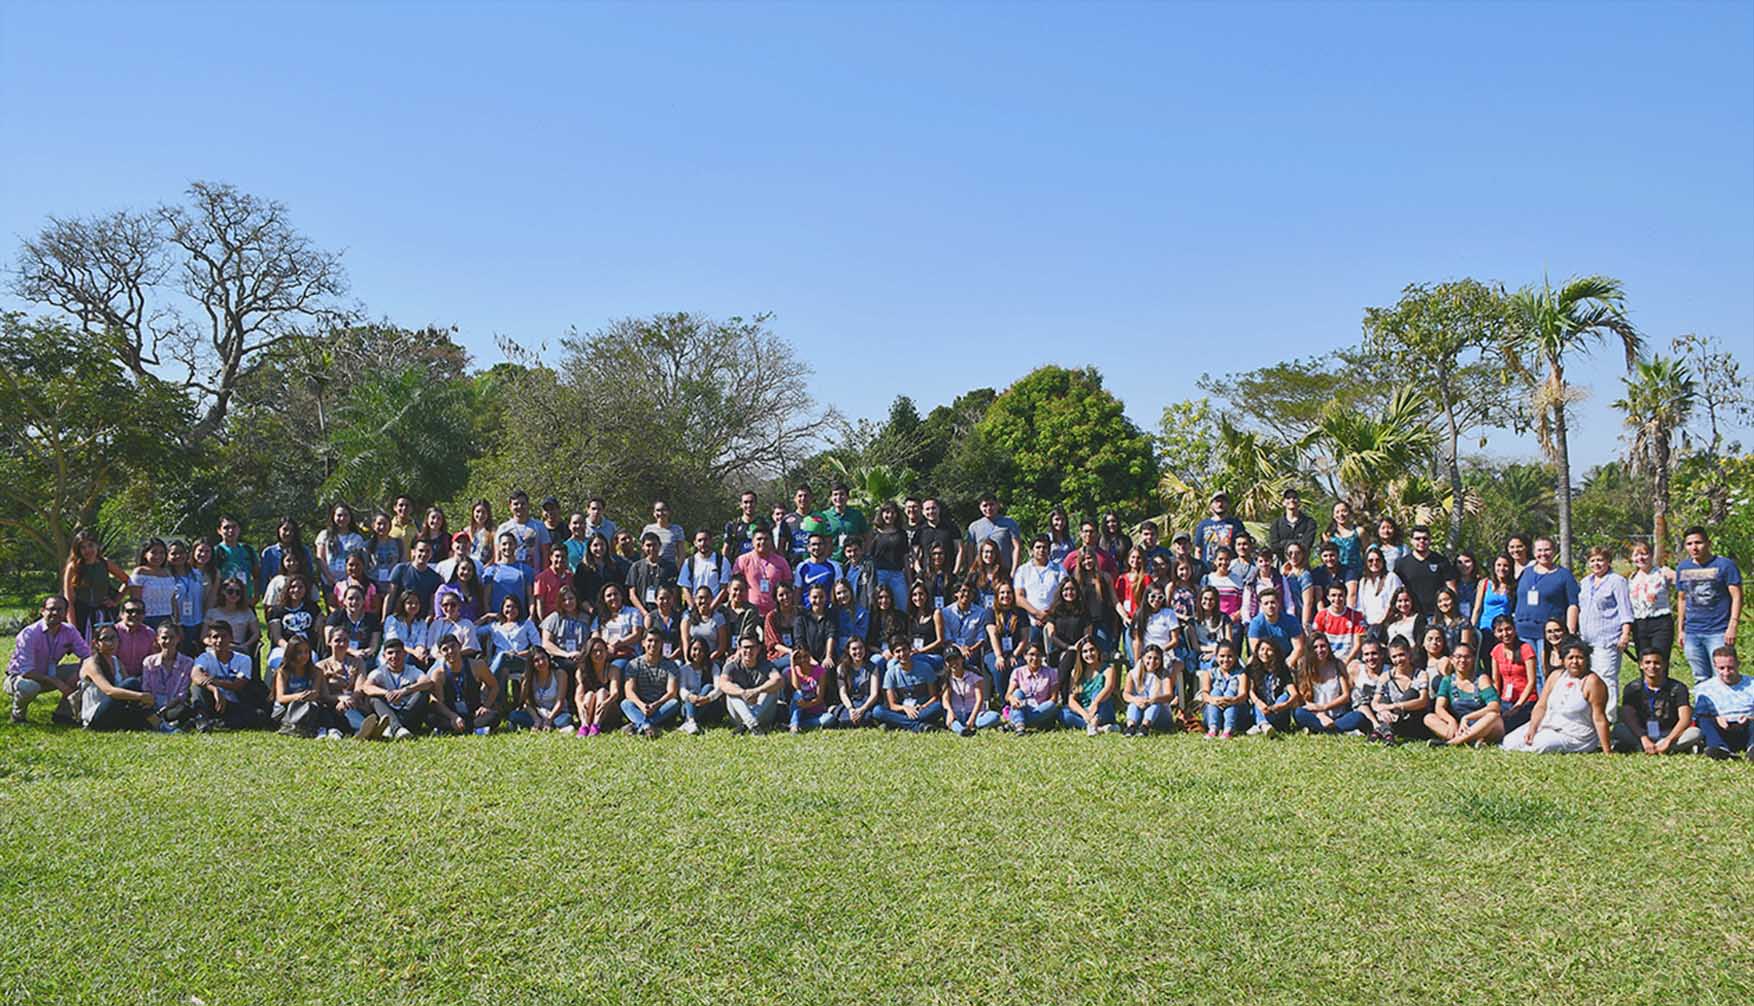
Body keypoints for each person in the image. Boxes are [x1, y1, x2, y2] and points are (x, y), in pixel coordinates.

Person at [1503, 637, 1612, 754]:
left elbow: (1599, 718)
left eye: (1580, 658)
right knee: (1509, 742)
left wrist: (1607, 751)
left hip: (1576, 736)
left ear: (1587, 660)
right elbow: (1541, 706)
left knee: (1541, 743)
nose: (1574, 662)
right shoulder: (1556, 676)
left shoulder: (1592, 682)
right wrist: (1532, 728)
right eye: (1570, 658)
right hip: (1548, 725)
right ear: (1563, 660)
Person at [1674, 526, 1743, 685]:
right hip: (1692, 632)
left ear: (1708, 543)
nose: (1694, 547)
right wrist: (1681, 630)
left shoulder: (1725, 565)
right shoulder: (1683, 568)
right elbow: (1682, 599)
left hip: (1719, 631)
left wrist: (1733, 625)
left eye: (1698, 542)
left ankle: (1726, 709)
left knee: (1723, 675)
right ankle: (1704, 709)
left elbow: (1737, 596)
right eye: (1689, 544)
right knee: (1700, 677)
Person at [75, 625, 173, 731]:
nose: (111, 643)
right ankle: (159, 724)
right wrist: (140, 696)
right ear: (96, 643)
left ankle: (160, 723)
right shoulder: (91, 663)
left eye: (114, 638)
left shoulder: (116, 661)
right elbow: (109, 691)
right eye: (105, 639)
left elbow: (127, 689)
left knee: (139, 712)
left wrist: (142, 698)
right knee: (132, 683)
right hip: (96, 716)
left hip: (114, 711)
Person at [1612, 649, 1701, 755]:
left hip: (1669, 732)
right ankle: (1660, 748)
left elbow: (1685, 719)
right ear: (1641, 665)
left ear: (1664, 665)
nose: (1652, 666)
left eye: (1657, 663)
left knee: (1695, 732)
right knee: (1618, 729)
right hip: (1641, 732)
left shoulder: (1677, 687)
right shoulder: (1632, 688)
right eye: (1647, 662)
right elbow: (1628, 717)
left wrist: (1668, 740)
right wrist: (1643, 738)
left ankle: (1651, 747)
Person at [1578, 545, 1634, 705]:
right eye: (1593, 560)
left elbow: (1625, 609)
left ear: (1608, 561)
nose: (1596, 564)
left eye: (1600, 560)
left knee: (1606, 678)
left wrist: (1625, 634)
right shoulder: (1585, 582)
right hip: (1587, 640)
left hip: (1608, 639)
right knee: (1589, 678)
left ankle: (1609, 716)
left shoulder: (1617, 581)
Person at [1422, 641, 1503, 747]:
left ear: (1473, 659)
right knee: (1429, 718)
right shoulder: (1448, 680)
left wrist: (1468, 717)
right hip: (1460, 727)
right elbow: (1439, 708)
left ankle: (1451, 743)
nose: (1462, 660)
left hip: (1483, 724)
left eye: (1467, 657)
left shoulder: (1482, 679)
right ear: (1451, 659)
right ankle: (1470, 740)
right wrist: (1451, 721)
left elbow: (1494, 707)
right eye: (1458, 657)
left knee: (1493, 717)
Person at [191, 619, 266, 730]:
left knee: (259, 716)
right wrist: (214, 689)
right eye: (215, 637)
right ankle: (202, 718)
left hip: (234, 703)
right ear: (210, 641)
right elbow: (195, 675)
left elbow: (237, 685)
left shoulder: (244, 659)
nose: (219, 640)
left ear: (231, 638)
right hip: (212, 701)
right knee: (197, 687)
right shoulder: (205, 657)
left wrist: (214, 681)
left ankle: (217, 723)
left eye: (224, 636)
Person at [1513, 538, 1580, 657]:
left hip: (1548, 634)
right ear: (1534, 553)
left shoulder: (1564, 575)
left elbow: (1573, 604)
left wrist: (1571, 632)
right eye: (1539, 550)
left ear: (1554, 551)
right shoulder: (1526, 572)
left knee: (1545, 670)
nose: (1543, 554)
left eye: (1547, 550)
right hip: (1522, 632)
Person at [1290, 634, 1367, 735]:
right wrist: (1320, 715)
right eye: (1315, 647)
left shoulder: (1337, 665)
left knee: (1358, 717)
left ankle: (1322, 729)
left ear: (1328, 647)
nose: (1320, 650)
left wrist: (1324, 707)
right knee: (1299, 713)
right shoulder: (1305, 667)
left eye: (1323, 646)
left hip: (1338, 714)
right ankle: (1334, 730)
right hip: (1316, 714)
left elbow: (1345, 696)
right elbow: (1304, 698)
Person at [359, 637, 432, 740]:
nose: (394, 656)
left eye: (398, 652)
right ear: (384, 656)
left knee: (422, 693)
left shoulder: (412, 670)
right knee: (374, 699)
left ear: (405, 654)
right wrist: (386, 693)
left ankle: (390, 728)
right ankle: (397, 729)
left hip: (409, 714)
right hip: (389, 711)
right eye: (390, 653)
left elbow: (428, 682)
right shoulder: (379, 672)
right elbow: (366, 687)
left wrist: (405, 691)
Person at [62, 528, 128, 640]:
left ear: (97, 546)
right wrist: (73, 627)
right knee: (87, 651)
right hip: (82, 614)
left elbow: (127, 581)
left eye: (90, 545)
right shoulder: (73, 567)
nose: (88, 550)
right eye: (83, 547)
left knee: (107, 645)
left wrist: (116, 601)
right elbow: (69, 600)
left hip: (103, 612)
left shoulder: (105, 563)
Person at [429, 633, 500, 735]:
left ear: (460, 646)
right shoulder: (438, 674)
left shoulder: (477, 666)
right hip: (452, 714)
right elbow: (438, 702)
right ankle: (475, 730)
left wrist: (486, 706)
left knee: (494, 716)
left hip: (474, 713)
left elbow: (494, 686)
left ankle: (456, 729)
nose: (450, 651)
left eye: (453, 646)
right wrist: (453, 717)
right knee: (430, 717)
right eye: (445, 649)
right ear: (440, 653)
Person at [1693, 647, 1754, 760]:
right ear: (1715, 667)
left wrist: (1750, 718)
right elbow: (1697, 717)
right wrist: (1716, 718)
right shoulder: (1703, 688)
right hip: (1721, 729)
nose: (1726, 673)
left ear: (1738, 664)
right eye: (1721, 668)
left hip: (1747, 727)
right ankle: (1719, 749)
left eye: (1730, 668)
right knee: (1703, 719)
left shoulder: (1752, 684)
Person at [1367, 638, 1431, 743]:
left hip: (1413, 721)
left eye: (1401, 655)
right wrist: (1383, 710)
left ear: (1409, 653)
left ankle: (1381, 730)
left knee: (1412, 693)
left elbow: (1423, 701)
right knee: (1383, 698)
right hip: (1393, 721)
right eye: (1394, 656)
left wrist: (1394, 706)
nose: (1398, 659)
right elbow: (1375, 702)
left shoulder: (1421, 674)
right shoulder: (1386, 676)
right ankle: (1387, 731)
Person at [873, 636, 942, 732]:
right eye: (897, 651)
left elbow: (934, 697)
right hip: (903, 711)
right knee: (878, 711)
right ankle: (918, 726)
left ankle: (898, 723)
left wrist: (923, 706)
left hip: (922, 710)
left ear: (910, 650)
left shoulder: (925, 668)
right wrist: (905, 708)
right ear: (893, 654)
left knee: (938, 706)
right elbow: (892, 705)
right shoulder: (891, 673)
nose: (902, 654)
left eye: (904, 649)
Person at [316, 623, 372, 738]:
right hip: (332, 705)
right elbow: (323, 695)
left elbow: (359, 687)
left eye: (345, 640)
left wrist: (350, 699)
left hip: (354, 703)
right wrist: (341, 698)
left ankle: (363, 728)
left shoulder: (358, 662)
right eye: (337, 640)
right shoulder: (321, 666)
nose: (341, 644)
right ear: (329, 642)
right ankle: (363, 728)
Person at [717, 635, 782, 734]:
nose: (748, 651)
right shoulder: (732, 666)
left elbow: (778, 680)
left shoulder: (766, 664)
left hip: (763, 713)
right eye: (745, 647)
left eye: (752, 647)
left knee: (772, 689)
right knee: (732, 688)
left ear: (758, 648)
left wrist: (757, 691)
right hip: (739, 713)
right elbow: (722, 683)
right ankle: (753, 725)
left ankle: (747, 725)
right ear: (739, 649)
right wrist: (742, 693)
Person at [619, 632, 680, 737]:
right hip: (640, 705)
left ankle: (637, 724)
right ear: (643, 643)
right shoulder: (633, 664)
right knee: (625, 703)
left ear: (662, 644)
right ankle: (647, 726)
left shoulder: (670, 665)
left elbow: (672, 692)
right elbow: (629, 691)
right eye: (650, 640)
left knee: (674, 703)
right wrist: (642, 706)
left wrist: (656, 705)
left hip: (660, 706)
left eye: (657, 641)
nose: (653, 644)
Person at [1392, 524, 1459, 615]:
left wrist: (1453, 612)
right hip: (1412, 615)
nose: (1421, 541)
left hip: (1437, 614)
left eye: (1425, 538)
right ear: (1411, 541)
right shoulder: (1401, 563)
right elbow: (1396, 591)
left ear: (1430, 540)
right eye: (1417, 538)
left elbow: (1451, 588)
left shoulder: (1441, 561)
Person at [140, 622, 196, 729]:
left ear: (178, 639)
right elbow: (146, 689)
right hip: (152, 706)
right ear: (157, 639)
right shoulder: (149, 661)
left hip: (173, 707)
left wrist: (165, 708)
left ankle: (164, 723)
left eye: (172, 637)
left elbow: (182, 694)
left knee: (184, 710)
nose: (168, 641)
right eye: (164, 638)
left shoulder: (187, 662)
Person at [1627, 541, 1677, 660]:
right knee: (1644, 662)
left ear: (1651, 555)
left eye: (1644, 554)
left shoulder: (1662, 573)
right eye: (1636, 555)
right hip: (1640, 624)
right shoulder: (1632, 578)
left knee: (1660, 660)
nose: (1641, 558)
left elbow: (1684, 584)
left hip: (1660, 622)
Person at [271, 636, 329, 738]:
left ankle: (322, 730)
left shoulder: (317, 672)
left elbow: (316, 693)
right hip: (287, 708)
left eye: (306, 652)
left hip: (310, 705)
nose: (304, 655)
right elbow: (280, 697)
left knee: (319, 708)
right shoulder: (283, 672)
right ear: (291, 654)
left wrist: (310, 695)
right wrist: (299, 696)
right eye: (299, 652)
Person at [1060, 639, 1116, 735]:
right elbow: (1071, 700)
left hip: (1102, 709)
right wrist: (1084, 714)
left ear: (1098, 650)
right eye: (1085, 651)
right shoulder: (1077, 672)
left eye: (1092, 650)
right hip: (1085, 711)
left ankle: (1094, 724)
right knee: (1064, 714)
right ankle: (1098, 728)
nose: (1089, 654)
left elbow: (1108, 689)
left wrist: (1095, 703)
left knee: (1097, 692)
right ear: (1080, 655)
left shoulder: (1108, 670)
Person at [731, 527, 792, 617]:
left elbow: (788, 585)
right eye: (759, 539)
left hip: (775, 612)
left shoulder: (781, 561)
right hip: (750, 612)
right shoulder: (742, 560)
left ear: (771, 542)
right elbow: (734, 586)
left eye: (766, 539)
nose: (763, 542)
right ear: (752, 542)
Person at [1244, 637, 1299, 736]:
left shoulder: (1282, 669)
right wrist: (1258, 702)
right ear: (1257, 651)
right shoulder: (1251, 668)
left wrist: (1284, 705)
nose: (1264, 653)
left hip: (1279, 712)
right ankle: (1265, 725)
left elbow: (1294, 694)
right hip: (1261, 708)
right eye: (1262, 649)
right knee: (1258, 705)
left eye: (1269, 650)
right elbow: (1250, 691)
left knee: (1284, 696)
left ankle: (1261, 725)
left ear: (1275, 652)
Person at [984, 582, 1030, 698]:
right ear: (997, 596)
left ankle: (1019, 699)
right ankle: (1004, 702)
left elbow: (1024, 638)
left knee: (1019, 667)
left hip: (1015, 651)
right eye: (1002, 593)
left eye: (1008, 592)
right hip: (994, 652)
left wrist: (1014, 654)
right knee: (999, 667)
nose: (1006, 595)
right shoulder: (991, 612)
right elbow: (992, 635)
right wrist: (999, 656)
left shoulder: (1021, 612)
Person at [486, 595, 540, 694]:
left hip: (520, 660)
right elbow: (474, 630)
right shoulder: (495, 626)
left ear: (519, 609)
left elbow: (538, 647)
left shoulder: (526, 624)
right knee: (503, 668)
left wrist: (518, 654)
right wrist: (487, 616)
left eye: (514, 607)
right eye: (507, 606)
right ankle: (500, 705)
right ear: (502, 608)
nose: (510, 609)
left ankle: (486, 685)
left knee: (503, 655)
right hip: (499, 664)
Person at [936, 648, 997, 736]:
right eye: (949, 660)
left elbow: (979, 699)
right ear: (946, 663)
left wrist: (972, 717)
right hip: (957, 713)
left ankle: (970, 725)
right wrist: (950, 711)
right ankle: (962, 731)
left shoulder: (973, 675)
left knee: (994, 717)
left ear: (961, 659)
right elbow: (945, 699)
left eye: (955, 659)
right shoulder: (947, 678)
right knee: (951, 721)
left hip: (975, 712)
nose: (953, 663)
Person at [382, 538, 442, 625]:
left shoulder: (435, 577)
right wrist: (384, 617)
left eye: (427, 551)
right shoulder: (400, 569)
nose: (424, 554)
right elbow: (390, 596)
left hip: (420, 622)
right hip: (398, 619)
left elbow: (432, 604)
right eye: (420, 550)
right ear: (413, 551)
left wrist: (428, 619)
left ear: (431, 554)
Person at [1004, 640, 1060, 733]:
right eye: (1031, 654)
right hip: (1022, 708)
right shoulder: (1018, 672)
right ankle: (1020, 724)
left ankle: (1018, 723)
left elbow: (1054, 698)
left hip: (1041, 709)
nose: (1035, 658)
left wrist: (1042, 709)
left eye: (1038, 655)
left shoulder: (1051, 672)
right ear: (1025, 656)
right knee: (1017, 693)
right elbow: (1008, 695)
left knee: (1051, 705)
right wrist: (1012, 699)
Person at [1120, 644, 1176, 735]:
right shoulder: (1133, 673)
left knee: (1155, 705)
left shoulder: (1164, 675)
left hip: (1160, 715)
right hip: (1140, 710)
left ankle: (1145, 727)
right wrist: (1136, 700)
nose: (1152, 661)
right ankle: (1131, 727)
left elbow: (1169, 695)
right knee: (1132, 705)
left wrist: (1152, 700)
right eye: (1149, 658)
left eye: (1156, 658)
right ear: (1143, 658)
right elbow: (1126, 694)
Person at [325, 582, 383, 671]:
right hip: (340, 655)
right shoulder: (336, 616)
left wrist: (365, 653)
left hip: (364, 657)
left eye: (358, 598)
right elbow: (328, 640)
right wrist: (353, 652)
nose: (354, 602)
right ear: (344, 601)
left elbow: (374, 645)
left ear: (364, 601)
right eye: (350, 598)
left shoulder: (372, 619)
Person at [1198, 640, 1249, 739]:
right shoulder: (1209, 673)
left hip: (1236, 712)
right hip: (1213, 710)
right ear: (1216, 657)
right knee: (1215, 692)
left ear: (1235, 657)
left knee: (1230, 692)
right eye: (1222, 656)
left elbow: (1243, 695)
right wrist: (1215, 700)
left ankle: (1228, 729)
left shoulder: (1241, 674)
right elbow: (1205, 694)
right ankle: (1213, 728)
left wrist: (1231, 700)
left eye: (1230, 656)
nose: (1226, 659)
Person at [257, 518, 315, 603]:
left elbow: (309, 574)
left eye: (292, 530)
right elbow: (264, 577)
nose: (288, 533)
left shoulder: (304, 551)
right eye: (285, 529)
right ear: (278, 530)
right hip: (276, 596)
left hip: (299, 596)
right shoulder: (269, 552)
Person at [314, 503, 368, 593]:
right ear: (333, 516)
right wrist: (329, 577)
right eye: (339, 515)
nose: (342, 518)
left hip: (349, 583)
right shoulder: (324, 535)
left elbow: (359, 561)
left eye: (346, 515)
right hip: (329, 582)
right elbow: (320, 557)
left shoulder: (356, 538)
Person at [1246, 588, 1306, 670]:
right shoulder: (1256, 623)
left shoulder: (1291, 621)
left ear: (1278, 603)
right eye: (1266, 603)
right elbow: (1255, 649)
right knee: (1250, 661)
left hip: (1287, 657)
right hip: (1265, 657)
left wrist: (1287, 664)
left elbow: (1298, 647)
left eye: (1272, 602)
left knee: (1302, 661)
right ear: (1261, 605)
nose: (1270, 606)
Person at [571, 638, 620, 737]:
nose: (598, 654)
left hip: (608, 709)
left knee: (602, 692)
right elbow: (578, 694)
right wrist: (580, 705)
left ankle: (596, 725)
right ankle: (584, 726)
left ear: (606, 652)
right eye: (594, 651)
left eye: (601, 651)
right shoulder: (581, 671)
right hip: (588, 709)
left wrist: (606, 703)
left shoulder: (612, 669)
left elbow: (615, 693)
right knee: (589, 695)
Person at [675, 636, 723, 734]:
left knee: (708, 687)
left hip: (708, 707)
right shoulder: (684, 669)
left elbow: (719, 688)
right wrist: (690, 696)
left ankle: (689, 722)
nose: (697, 653)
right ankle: (691, 721)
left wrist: (708, 698)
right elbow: (682, 688)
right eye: (695, 649)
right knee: (691, 692)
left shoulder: (713, 667)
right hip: (687, 707)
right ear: (690, 651)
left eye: (701, 650)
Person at [966, 493, 1024, 572]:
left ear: (997, 505)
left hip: (1004, 571)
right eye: (985, 505)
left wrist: (1014, 571)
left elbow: (1016, 547)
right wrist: (971, 570)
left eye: (991, 504)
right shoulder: (974, 527)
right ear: (980, 507)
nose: (988, 508)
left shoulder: (1009, 523)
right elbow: (970, 550)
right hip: (982, 572)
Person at [128, 538, 177, 630]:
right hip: (146, 620)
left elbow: (173, 600)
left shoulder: (168, 573)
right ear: (145, 554)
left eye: (162, 553)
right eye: (154, 552)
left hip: (167, 618)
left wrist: (176, 620)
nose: (158, 556)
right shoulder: (140, 572)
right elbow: (135, 600)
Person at [1310, 583, 1365, 665]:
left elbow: (1358, 644)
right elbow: (1317, 641)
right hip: (1327, 658)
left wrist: (1346, 662)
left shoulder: (1356, 616)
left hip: (1349, 659)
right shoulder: (1322, 615)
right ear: (1328, 597)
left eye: (1340, 595)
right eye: (1333, 595)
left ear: (1346, 596)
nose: (1337, 599)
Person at [867, 502, 911, 604]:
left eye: (893, 513)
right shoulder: (874, 533)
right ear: (881, 514)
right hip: (879, 574)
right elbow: (869, 555)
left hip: (897, 574)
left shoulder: (902, 534)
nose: (890, 515)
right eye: (887, 512)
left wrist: (909, 581)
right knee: (879, 605)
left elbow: (906, 558)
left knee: (903, 604)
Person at [625, 533, 676, 618]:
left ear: (660, 546)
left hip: (664, 613)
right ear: (643, 547)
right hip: (641, 613)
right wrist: (644, 612)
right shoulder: (636, 567)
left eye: (654, 545)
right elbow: (632, 594)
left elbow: (674, 592)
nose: (652, 548)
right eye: (648, 545)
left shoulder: (670, 567)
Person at [496, 488, 550, 566]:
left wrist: (543, 576)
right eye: (516, 504)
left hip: (533, 574)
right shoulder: (503, 528)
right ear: (510, 506)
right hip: (509, 573)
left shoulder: (539, 526)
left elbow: (546, 554)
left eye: (523, 503)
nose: (519, 506)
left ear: (528, 505)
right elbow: (498, 555)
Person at [212, 516, 259, 604]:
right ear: (219, 530)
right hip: (223, 601)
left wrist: (256, 596)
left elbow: (256, 575)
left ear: (239, 529)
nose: (231, 531)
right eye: (226, 528)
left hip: (245, 599)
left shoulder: (248, 550)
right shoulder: (215, 552)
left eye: (234, 527)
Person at [679, 529, 733, 606]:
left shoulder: (722, 561)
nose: (703, 543)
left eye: (706, 540)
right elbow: (685, 588)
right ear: (695, 543)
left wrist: (711, 608)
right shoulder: (689, 562)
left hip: (717, 608)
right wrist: (694, 609)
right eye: (699, 540)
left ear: (711, 541)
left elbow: (724, 589)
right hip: (695, 608)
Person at [1193, 491, 1245, 569]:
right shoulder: (1203, 525)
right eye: (1217, 501)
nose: (1220, 504)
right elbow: (1198, 550)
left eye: (1223, 501)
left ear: (1227, 504)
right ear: (1211, 505)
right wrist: (1197, 569)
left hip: (1231, 569)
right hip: (1207, 570)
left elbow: (1243, 547)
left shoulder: (1236, 524)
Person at [1473, 554, 1518, 645]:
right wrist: (1472, 627)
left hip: (1504, 630)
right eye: (1499, 565)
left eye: (1505, 566)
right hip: (1486, 628)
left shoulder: (1513, 585)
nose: (1502, 568)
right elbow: (1477, 608)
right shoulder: (1485, 583)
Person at [913, 497, 963, 576]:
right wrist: (919, 571)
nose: (931, 511)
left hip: (948, 574)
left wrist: (955, 573)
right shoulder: (919, 531)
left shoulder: (951, 527)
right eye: (927, 509)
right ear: (922, 512)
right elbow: (915, 555)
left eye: (933, 508)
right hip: (927, 575)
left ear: (939, 509)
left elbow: (960, 550)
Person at [1355, 547, 1402, 632]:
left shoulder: (1391, 577)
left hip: (1388, 624)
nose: (1374, 563)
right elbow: (1360, 606)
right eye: (1370, 561)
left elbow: (1394, 601)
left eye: (1378, 560)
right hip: (1368, 625)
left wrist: (1382, 620)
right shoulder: (1364, 581)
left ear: (1383, 561)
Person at [786, 652, 834, 733]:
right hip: (798, 711)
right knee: (799, 693)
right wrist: (792, 664)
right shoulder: (791, 671)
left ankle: (796, 725)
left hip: (816, 711)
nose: (803, 660)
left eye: (805, 656)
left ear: (809, 656)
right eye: (799, 658)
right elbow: (797, 687)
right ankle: (794, 724)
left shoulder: (819, 671)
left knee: (830, 719)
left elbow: (820, 698)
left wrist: (806, 705)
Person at [111, 598, 157, 679]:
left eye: (139, 612)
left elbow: (153, 659)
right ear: (121, 614)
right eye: (130, 611)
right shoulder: (113, 632)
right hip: (116, 678)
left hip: (143, 678)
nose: (134, 614)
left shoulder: (150, 633)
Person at [795, 582, 838, 670]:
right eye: (814, 597)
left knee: (829, 668)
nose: (818, 601)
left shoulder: (831, 615)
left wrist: (828, 656)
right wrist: (809, 658)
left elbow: (831, 635)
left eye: (821, 597)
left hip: (825, 657)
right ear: (809, 598)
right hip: (806, 657)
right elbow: (799, 640)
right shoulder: (801, 617)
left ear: (826, 598)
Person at [1267, 487, 1317, 561]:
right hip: (1282, 563)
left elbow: (1307, 544)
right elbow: (1274, 546)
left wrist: (1284, 543)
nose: (1291, 500)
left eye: (1294, 497)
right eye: (1288, 498)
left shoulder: (1309, 522)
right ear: (1283, 502)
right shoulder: (1276, 523)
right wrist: (1298, 542)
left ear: (1299, 501)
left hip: (1303, 564)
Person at [763, 581, 803, 670]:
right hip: (779, 656)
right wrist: (791, 652)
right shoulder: (771, 617)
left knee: (787, 671)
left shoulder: (801, 613)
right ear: (776, 598)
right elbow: (773, 644)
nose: (785, 597)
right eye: (781, 595)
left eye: (788, 593)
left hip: (800, 654)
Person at [530, 544, 572, 623]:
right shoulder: (542, 578)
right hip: (549, 620)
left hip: (567, 619)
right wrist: (542, 622)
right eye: (557, 556)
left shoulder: (570, 576)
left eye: (563, 557)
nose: (560, 559)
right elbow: (539, 603)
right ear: (551, 557)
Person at [641, 499, 687, 568]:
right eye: (658, 510)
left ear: (669, 512)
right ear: (654, 513)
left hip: (669, 568)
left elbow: (681, 554)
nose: (660, 513)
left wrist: (677, 569)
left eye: (663, 510)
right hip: (650, 568)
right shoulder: (648, 529)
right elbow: (643, 551)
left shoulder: (677, 529)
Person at [904, 580, 945, 658]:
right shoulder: (911, 615)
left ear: (927, 595)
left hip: (932, 654)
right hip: (914, 652)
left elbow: (940, 641)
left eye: (921, 594)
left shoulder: (936, 613)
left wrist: (920, 651)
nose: (918, 598)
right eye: (914, 595)